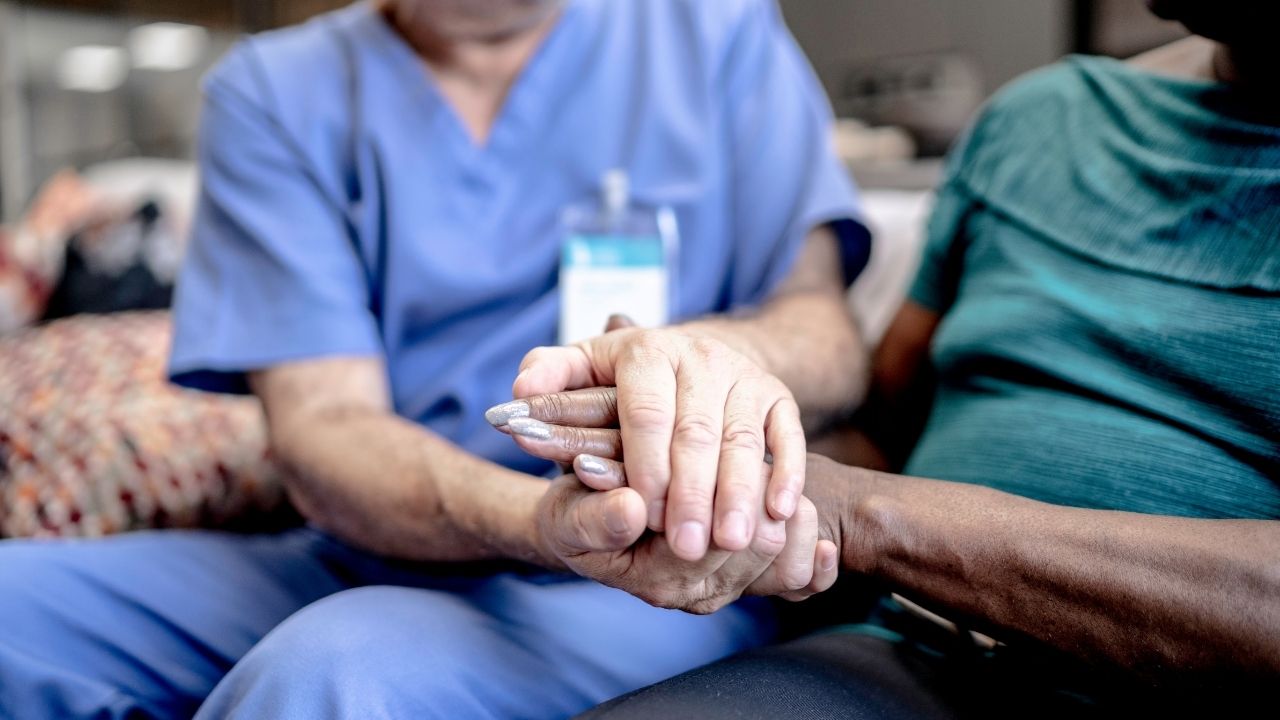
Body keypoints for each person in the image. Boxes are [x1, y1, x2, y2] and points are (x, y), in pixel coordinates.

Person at [0, 0, 875, 718]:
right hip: (379, 536)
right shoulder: (276, 92)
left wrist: (707, 361)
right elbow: (326, 426)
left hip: (649, 569)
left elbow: (825, 331)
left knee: (334, 675)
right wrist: (538, 522)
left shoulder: (712, 35)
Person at [502, 0, 1280, 715]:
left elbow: (865, 490)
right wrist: (707, 460)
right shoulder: (1038, 123)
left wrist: (865, 514)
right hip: (912, 653)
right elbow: (881, 429)